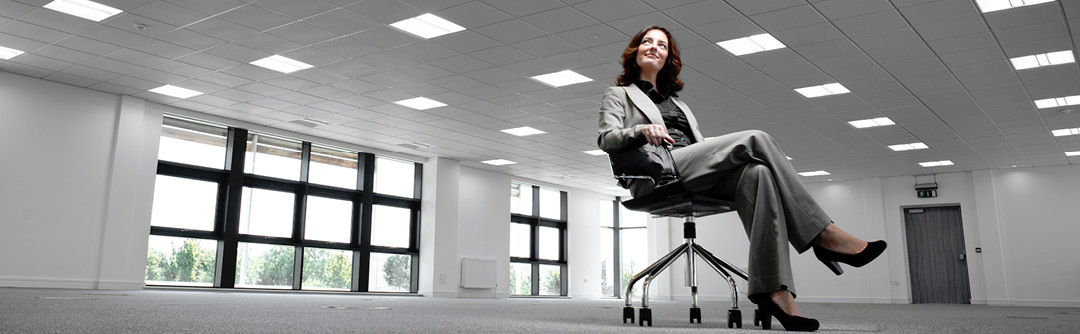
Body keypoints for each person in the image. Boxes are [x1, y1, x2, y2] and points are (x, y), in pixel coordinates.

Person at [597, 26, 887, 332]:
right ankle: (824, 235)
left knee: (757, 173)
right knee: (755, 138)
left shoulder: (680, 105)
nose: (654, 47)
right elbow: (606, 138)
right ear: (635, 52)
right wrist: (641, 131)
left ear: (670, 58)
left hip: (689, 167)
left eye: (662, 45)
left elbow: (697, 147)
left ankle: (775, 292)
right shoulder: (619, 94)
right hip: (657, 172)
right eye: (647, 42)